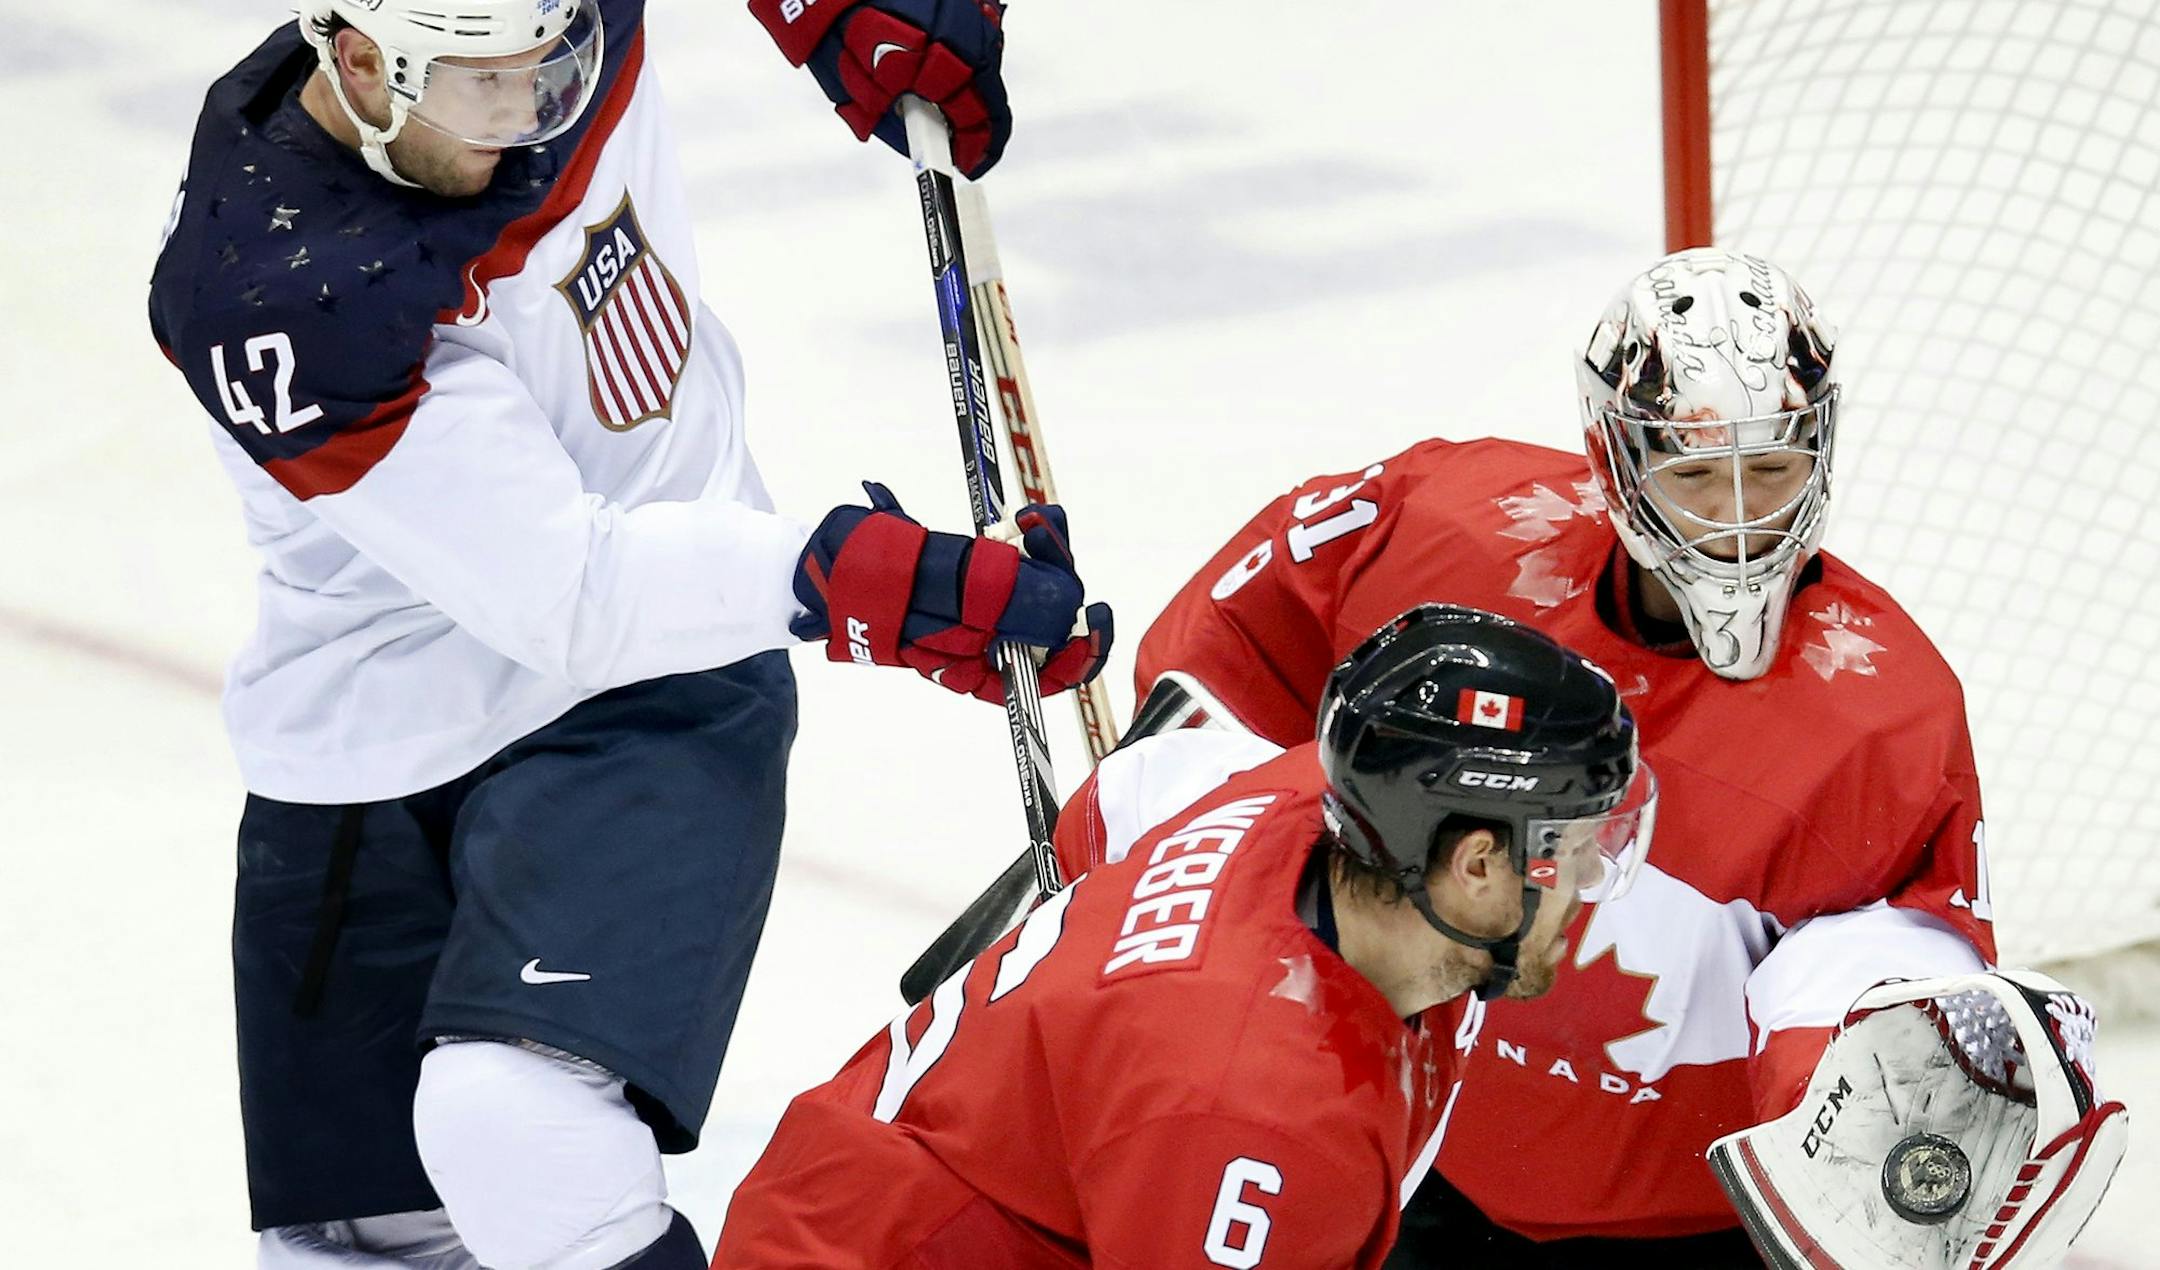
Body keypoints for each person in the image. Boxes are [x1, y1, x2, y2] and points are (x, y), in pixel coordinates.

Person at [145, 2, 1108, 1266]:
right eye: (490, 92)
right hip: (375, 723)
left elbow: (609, 624)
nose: (535, 119)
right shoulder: (280, 289)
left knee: (519, 1129)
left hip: (660, 686)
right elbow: (566, 589)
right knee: (360, 1240)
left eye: (555, 77)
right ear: (365, 63)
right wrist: (854, 579)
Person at [1126, 248, 2002, 1267]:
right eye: (1694, 475)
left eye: (1772, 466)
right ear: (1614, 456)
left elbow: (1885, 995)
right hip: (1407, 1163)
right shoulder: (1451, 530)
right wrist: (1163, 828)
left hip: (1695, 1235)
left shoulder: (1887, 714)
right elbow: (1242, 639)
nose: (1739, 518)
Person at [713, 604, 1660, 1268]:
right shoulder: (1265, 1123)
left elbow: (1116, 802)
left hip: (864, 1191)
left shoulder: (1293, 792)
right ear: (1478, 866)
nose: (1588, 878)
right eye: (1571, 847)